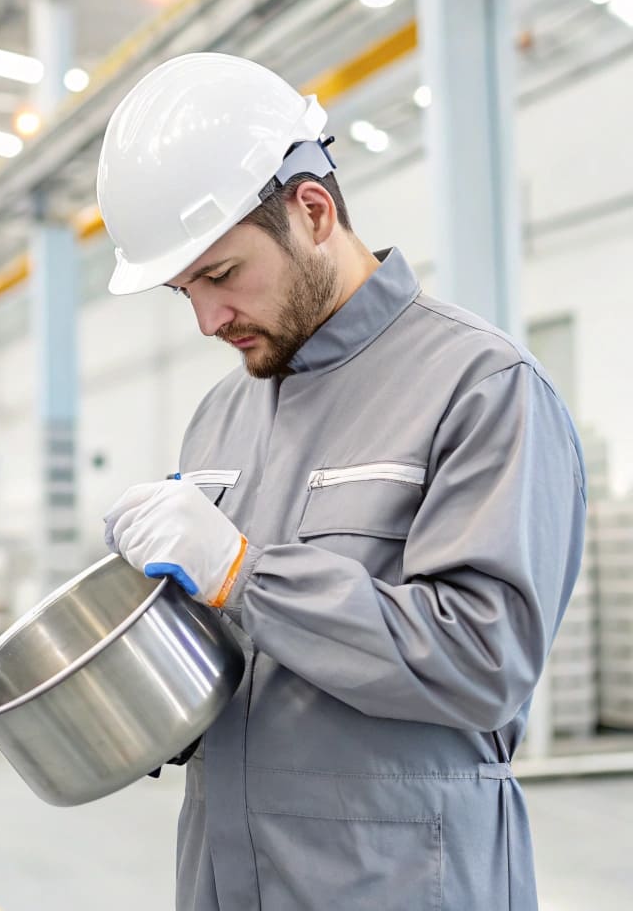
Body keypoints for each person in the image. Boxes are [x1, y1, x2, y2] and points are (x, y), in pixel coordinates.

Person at [96, 52, 587, 911]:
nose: (208, 319)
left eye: (221, 274)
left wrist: (245, 573)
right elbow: (232, 663)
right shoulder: (220, 414)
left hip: (401, 884)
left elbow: (484, 662)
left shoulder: (480, 388)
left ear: (313, 211)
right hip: (226, 880)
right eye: (184, 290)